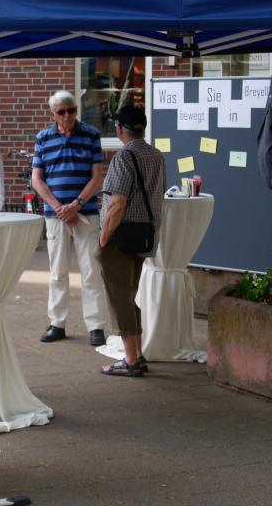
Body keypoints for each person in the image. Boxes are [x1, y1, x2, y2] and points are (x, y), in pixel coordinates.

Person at [32, 90, 109, 346]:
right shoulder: (43, 138)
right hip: (56, 215)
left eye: (72, 110)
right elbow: (37, 179)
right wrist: (59, 208)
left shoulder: (91, 135)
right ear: (53, 114)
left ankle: (96, 326)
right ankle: (57, 323)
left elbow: (97, 176)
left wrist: (76, 205)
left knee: (91, 271)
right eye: (62, 111)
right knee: (57, 271)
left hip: (85, 213)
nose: (68, 115)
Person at [98, 104, 166, 377]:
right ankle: (136, 354)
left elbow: (117, 204)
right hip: (144, 235)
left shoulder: (124, 157)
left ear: (119, 129)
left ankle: (130, 360)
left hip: (121, 237)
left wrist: (103, 238)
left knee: (119, 299)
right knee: (130, 295)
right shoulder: (156, 155)